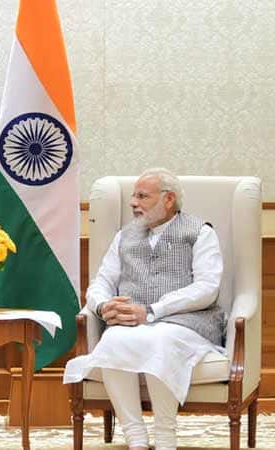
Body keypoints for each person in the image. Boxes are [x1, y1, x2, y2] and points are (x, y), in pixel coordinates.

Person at [64, 168, 225, 450]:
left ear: (168, 199)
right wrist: (103, 306)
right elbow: (102, 281)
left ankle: (165, 438)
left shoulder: (200, 232)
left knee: (159, 339)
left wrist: (152, 311)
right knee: (113, 339)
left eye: (142, 196)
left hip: (187, 323)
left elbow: (207, 287)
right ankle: (135, 438)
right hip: (132, 323)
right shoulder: (124, 236)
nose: (133, 203)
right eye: (133, 196)